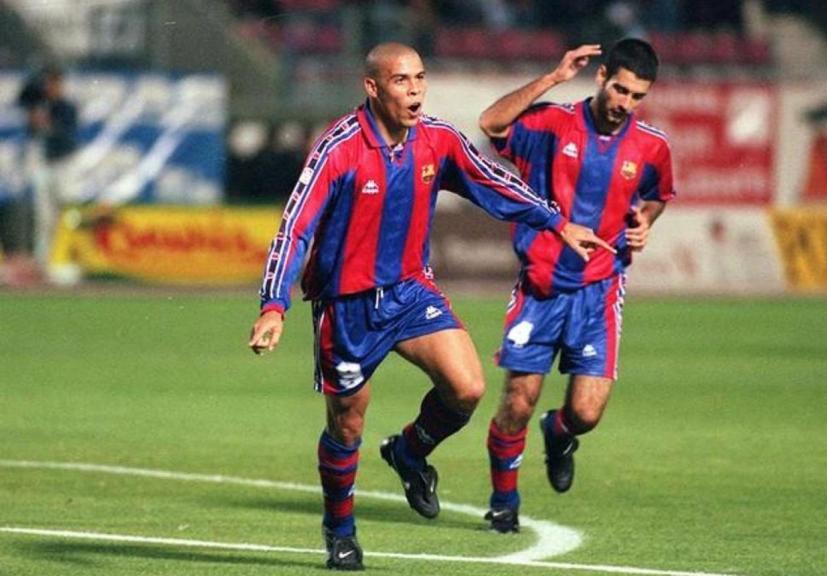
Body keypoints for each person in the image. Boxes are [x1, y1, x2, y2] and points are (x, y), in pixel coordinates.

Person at [247, 42, 611, 571]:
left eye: (420, 78)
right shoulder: (339, 148)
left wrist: (556, 221)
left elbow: (493, 182)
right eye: (402, 81)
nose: (416, 90)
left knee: (467, 386)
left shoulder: (436, 139)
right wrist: (273, 304)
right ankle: (340, 532)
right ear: (372, 88)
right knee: (348, 424)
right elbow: (296, 225)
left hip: (411, 291)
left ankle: (410, 453)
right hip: (347, 305)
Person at [477, 38, 674, 533]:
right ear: (602, 75)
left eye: (637, 97)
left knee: (586, 413)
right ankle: (504, 501)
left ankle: (559, 433)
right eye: (621, 90)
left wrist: (646, 221)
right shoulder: (552, 123)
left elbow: (656, 196)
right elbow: (491, 125)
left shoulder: (651, 146)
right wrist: (551, 78)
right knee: (517, 401)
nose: (625, 104)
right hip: (540, 285)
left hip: (600, 289)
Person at [17, 65, 78, 277]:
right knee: (44, 216)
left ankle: (69, 258)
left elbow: (66, 134)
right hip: (44, 164)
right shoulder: (39, 102)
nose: (52, 87)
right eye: (49, 82)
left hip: (64, 163)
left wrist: (47, 124)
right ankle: (42, 263)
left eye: (55, 83)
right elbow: (22, 98)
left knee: (67, 209)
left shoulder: (66, 106)